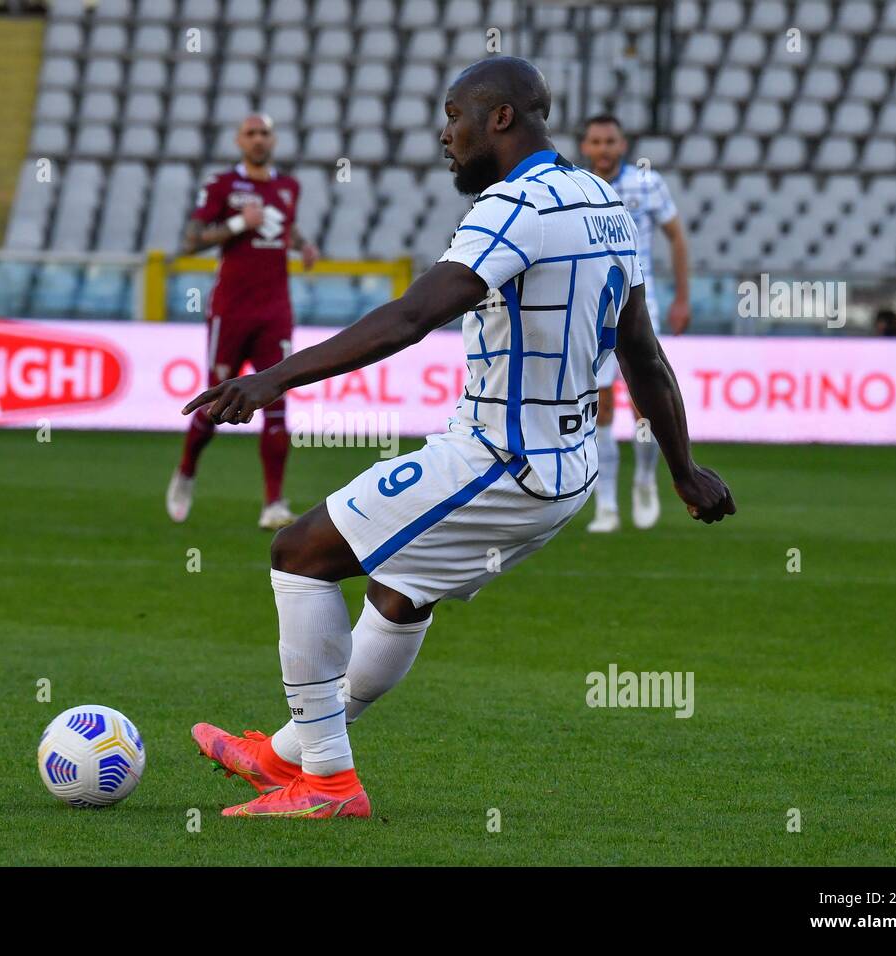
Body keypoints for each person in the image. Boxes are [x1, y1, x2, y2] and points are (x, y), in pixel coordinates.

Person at [183, 58, 735, 819]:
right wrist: (684, 468)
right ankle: (285, 754)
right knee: (399, 594)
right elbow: (641, 348)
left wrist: (274, 378)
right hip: (561, 470)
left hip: (502, 459)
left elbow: (412, 317)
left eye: (454, 116)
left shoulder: (514, 207)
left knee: (299, 555)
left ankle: (329, 785)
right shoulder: (603, 203)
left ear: (499, 118)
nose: (446, 135)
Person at [167, 114, 319, 530]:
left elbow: (284, 227)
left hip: (275, 312)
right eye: (250, 133)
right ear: (238, 141)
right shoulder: (221, 186)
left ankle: (273, 503)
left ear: (274, 139)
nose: (258, 140)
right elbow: (192, 240)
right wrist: (237, 223)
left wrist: (304, 244)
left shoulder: (288, 187)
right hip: (231, 311)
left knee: (277, 403)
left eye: (264, 133)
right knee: (217, 401)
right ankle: (187, 470)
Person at [579, 115, 692, 532]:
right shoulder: (577, 186)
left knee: (645, 405)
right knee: (600, 404)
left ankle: (644, 479)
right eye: (596, 141)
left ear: (622, 144)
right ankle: (606, 503)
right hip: (592, 311)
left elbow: (676, 235)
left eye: (610, 140)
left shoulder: (647, 183)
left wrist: (682, 297)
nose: (604, 148)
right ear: (586, 147)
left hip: (639, 307)